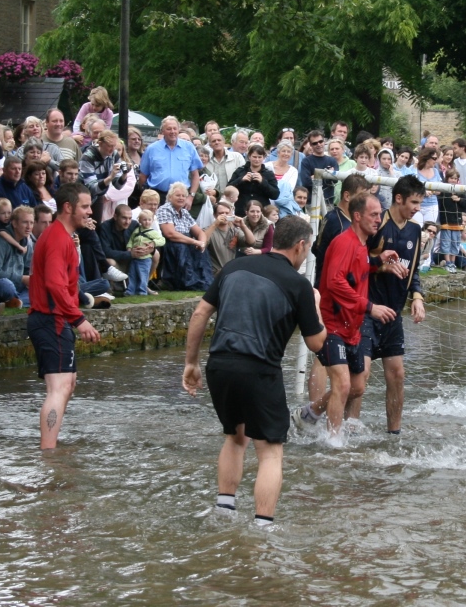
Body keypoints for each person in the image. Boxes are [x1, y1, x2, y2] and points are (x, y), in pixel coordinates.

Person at [181, 214, 325, 526]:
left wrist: (191, 363)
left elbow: (200, 312)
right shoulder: (298, 284)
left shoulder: (234, 267)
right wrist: (315, 305)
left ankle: (223, 511)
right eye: (309, 248)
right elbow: (316, 343)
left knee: (235, 436)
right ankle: (262, 528)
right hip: (260, 370)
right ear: (300, 246)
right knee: (271, 451)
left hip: (219, 365)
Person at [309, 193, 396, 443]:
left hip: (352, 326)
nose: (379, 219)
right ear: (357, 216)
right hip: (333, 325)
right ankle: (333, 444)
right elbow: (335, 281)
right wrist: (370, 307)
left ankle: (311, 412)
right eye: (374, 214)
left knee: (357, 387)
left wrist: (378, 261)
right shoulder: (344, 241)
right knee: (343, 386)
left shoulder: (361, 243)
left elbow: (357, 267)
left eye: (380, 214)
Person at [347, 174, 426, 435]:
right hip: (368, 310)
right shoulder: (377, 225)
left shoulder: (415, 229)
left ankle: (394, 434)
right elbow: (356, 265)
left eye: (420, 203)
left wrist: (417, 296)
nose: (417, 208)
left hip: (393, 313)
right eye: (413, 202)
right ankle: (348, 433)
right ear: (399, 198)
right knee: (362, 376)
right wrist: (382, 267)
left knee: (397, 375)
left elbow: (412, 270)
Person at [29, 183, 103, 449]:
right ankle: (48, 452)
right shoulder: (58, 238)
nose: (90, 211)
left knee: (67, 384)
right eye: (84, 206)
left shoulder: (62, 236)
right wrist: (78, 319)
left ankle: (51, 444)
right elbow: (54, 284)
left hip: (55, 318)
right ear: (68, 207)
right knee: (59, 387)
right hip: (51, 319)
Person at [156, 183, 213, 291]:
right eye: (178, 195)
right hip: (172, 243)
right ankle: (188, 283)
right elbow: (170, 234)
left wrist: (201, 243)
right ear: (170, 197)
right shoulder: (165, 209)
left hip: (186, 240)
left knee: (201, 250)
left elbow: (200, 232)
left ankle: (206, 282)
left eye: (183, 196)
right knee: (182, 248)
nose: (181, 198)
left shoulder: (185, 212)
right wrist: (194, 242)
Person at [140, 116, 204, 200]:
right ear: (162, 131)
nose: (172, 131)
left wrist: (191, 197)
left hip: (181, 197)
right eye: (169, 129)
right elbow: (143, 176)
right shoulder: (152, 149)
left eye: (175, 128)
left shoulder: (189, 147)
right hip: (157, 196)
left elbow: (195, 175)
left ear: (178, 130)